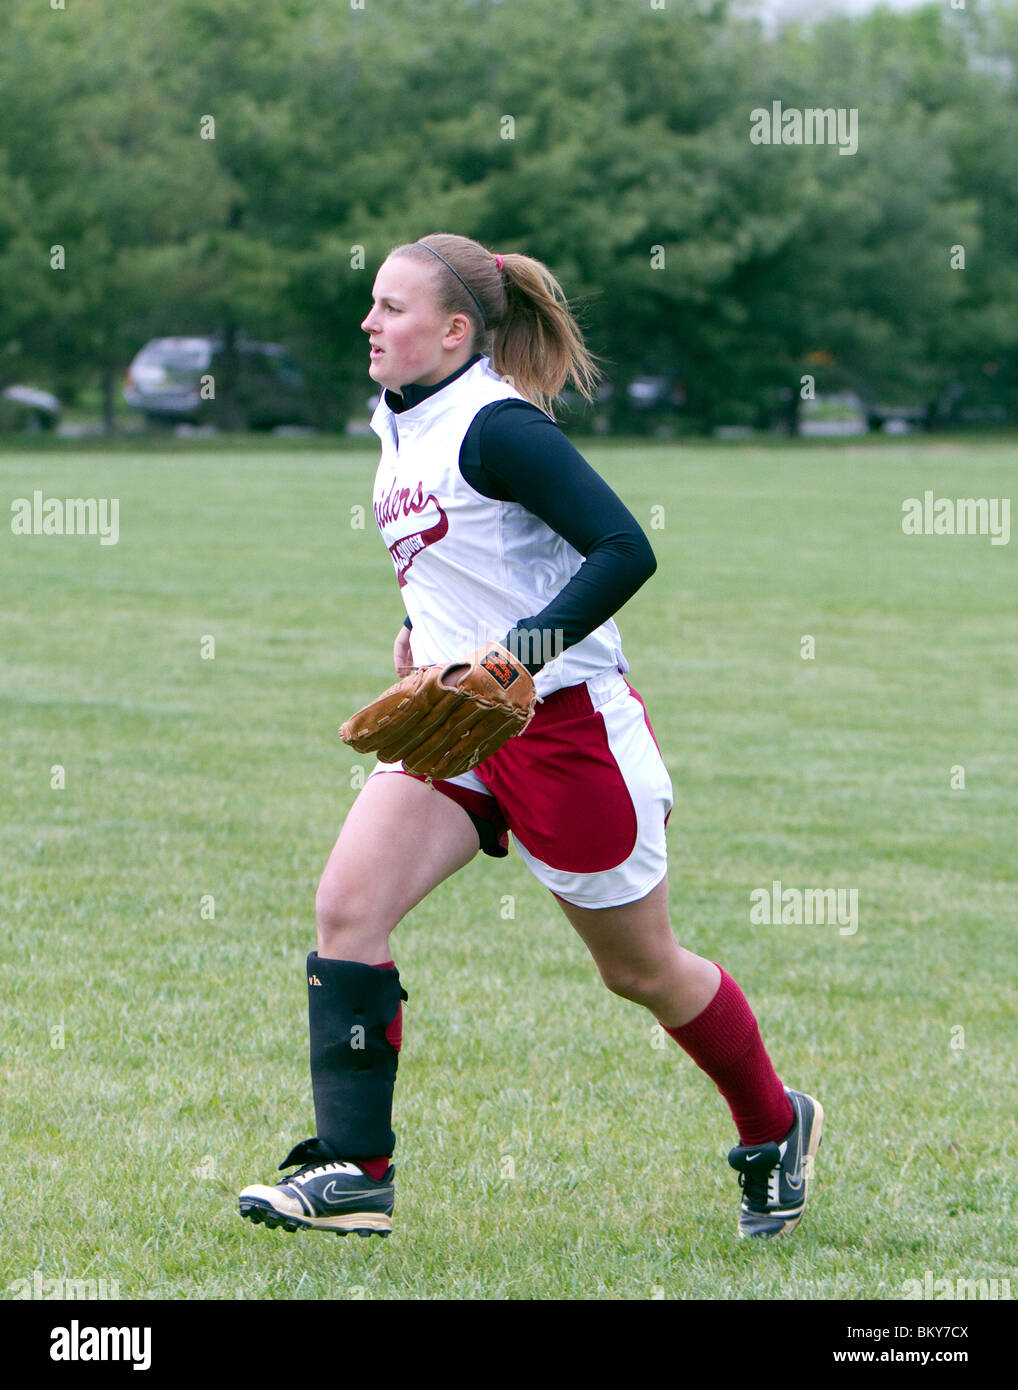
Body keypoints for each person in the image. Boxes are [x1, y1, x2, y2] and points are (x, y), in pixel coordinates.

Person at [238, 232, 823, 1241]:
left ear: (456, 330)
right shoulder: (399, 414)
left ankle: (774, 1125)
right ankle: (353, 1173)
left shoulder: (497, 427)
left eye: (392, 307)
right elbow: (462, 550)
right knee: (347, 908)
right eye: (372, 303)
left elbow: (623, 547)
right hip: (463, 720)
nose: (369, 322)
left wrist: (516, 651)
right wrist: (426, 632)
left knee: (642, 971)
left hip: (567, 733)